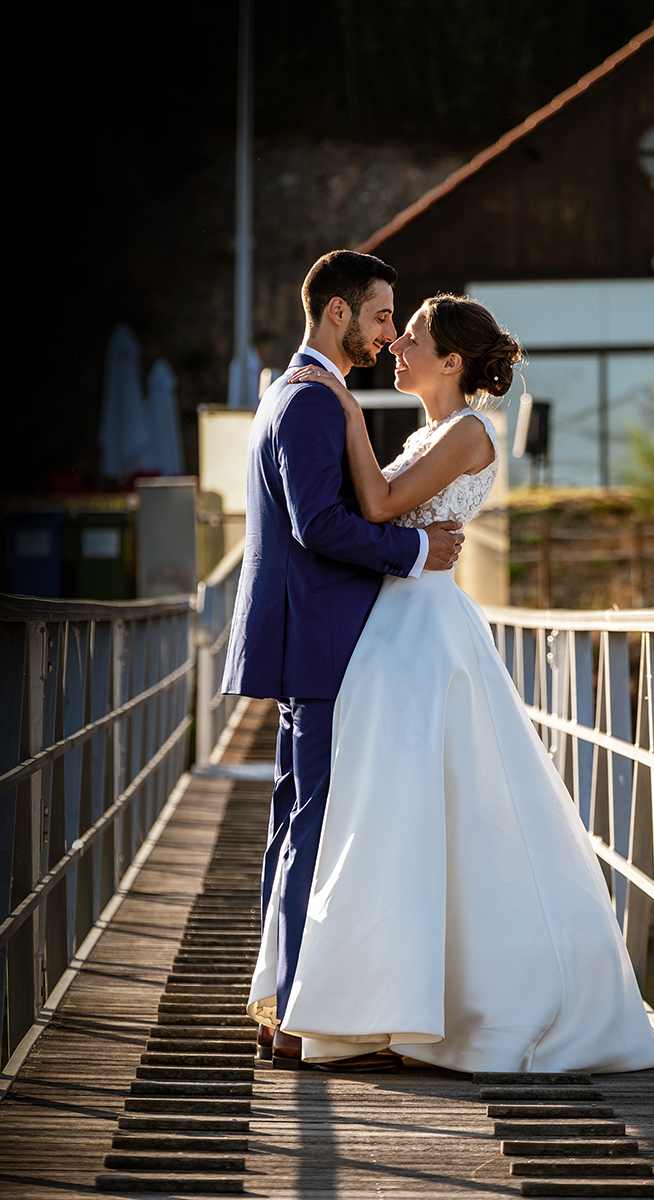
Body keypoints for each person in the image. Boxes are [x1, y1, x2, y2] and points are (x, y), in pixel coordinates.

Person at [247, 292, 654, 1075]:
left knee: (433, 810)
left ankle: (454, 1006)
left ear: (451, 361)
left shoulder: (467, 433)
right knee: (384, 814)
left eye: (412, 337)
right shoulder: (428, 433)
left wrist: (347, 416)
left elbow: (379, 503)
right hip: (387, 629)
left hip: (425, 636)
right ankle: (374, 1001)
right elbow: (366, 512)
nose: (397, 346)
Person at [221, 253, 464, 1073]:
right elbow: (318, 525)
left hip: (308, 639)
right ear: (336, 314)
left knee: (298, 826)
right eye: (380, 316)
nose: (388, 332)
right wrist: (416, 547)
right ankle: (295, 1015)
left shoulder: (303, 394)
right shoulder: (311, 403)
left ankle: (283, 1009)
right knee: (312, 828)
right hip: (319, 642)